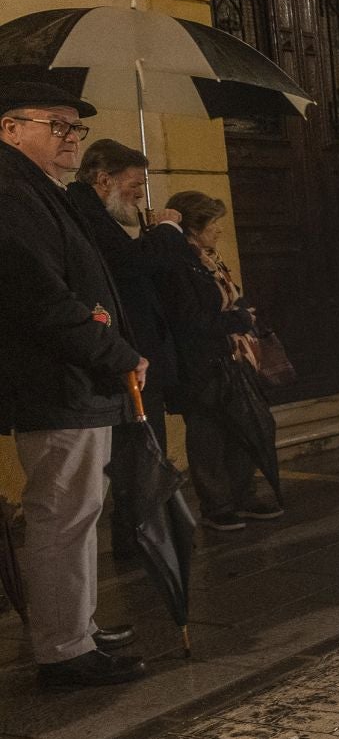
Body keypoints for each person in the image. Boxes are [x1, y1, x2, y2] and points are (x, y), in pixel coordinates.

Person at [0, 82, 147, 689]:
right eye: (57, 126)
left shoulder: (39, 189)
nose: (70, 138)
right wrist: (114, 352)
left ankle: (76, 626)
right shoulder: (11, 193)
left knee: (79, 512)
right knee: (62, 513)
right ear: (10, 128)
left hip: (76, 377)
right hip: (56, 380)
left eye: (75, 129)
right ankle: (64, 651)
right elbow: (39, 298)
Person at [68, 139, 183, 558]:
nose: (139, 192)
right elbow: (133, 265)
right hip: (126, 357)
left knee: (141, 452)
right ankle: (139, 541)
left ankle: (143, 534)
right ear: (104, 180)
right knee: (139, 454)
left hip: (134, 353)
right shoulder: (86, 215)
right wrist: (168, 230)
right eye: (134, 184)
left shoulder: (94, 213)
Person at [155, 191, 281, 531]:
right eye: (213, 222)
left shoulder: (210, 259)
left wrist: (241, 317)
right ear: (194, 227)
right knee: (207, 433)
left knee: (243, 425)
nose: (219, 229)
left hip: (232, 355)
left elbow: (226, 299)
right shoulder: (182, 264)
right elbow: (189, 318)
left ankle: (244, 494)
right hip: (201, 362)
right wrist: (236, 320)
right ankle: (216, 504)